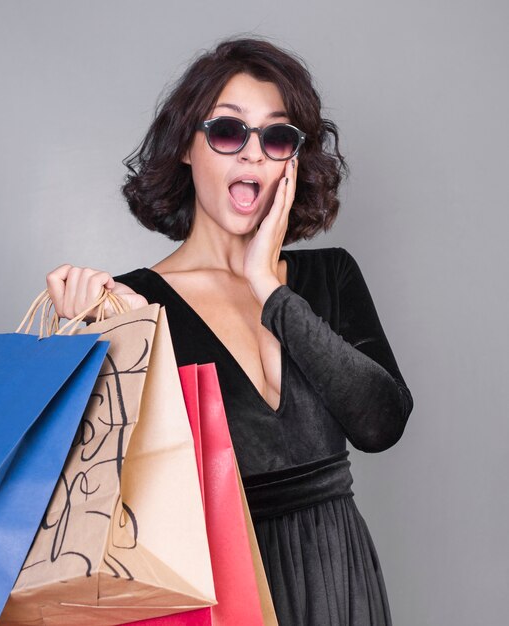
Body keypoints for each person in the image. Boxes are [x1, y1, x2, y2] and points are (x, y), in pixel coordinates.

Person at [46, 36, 414, 626]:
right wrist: (80, 337)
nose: (252, 155)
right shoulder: (134, 302)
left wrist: (268, 289)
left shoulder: (329, 275)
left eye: (275, 137)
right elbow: (104, 487)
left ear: (293, 160)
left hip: (340, 579)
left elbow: (381, 424)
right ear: (188, 148)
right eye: (227, 132)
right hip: (221, 590)